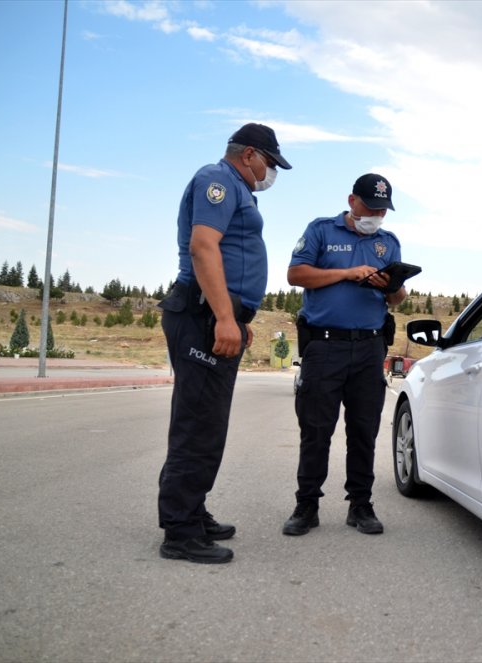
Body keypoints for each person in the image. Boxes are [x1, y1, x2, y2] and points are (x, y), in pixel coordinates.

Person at [157, 123, 292, 564]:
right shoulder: (217, 179)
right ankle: (179, 532)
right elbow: (203, 248)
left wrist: (235, 316)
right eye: (269, 163)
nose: (270, 172)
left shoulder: (236, 186)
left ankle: (192, 512)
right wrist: (222, 316)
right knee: (197, 426)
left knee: (208, 424)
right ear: (249, 154)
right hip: (199, 314)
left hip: (211, 313)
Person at [283, 173, 407, 536]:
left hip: (370, 347)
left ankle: (360, 505)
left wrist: (392, 287)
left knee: (363, 430)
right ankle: (307, 505)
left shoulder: (388, 242)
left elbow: (397, 299)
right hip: (325, 345)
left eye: (382, 210)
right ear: (352, 201)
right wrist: (347, 273)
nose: (376, 215)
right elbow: (296, 274)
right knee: (316, 431)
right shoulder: (321, 230)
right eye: (370, 208)